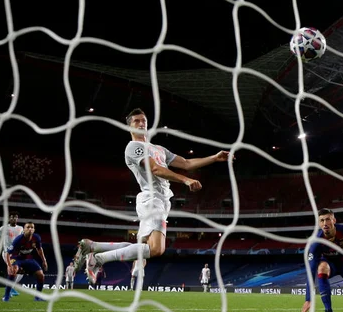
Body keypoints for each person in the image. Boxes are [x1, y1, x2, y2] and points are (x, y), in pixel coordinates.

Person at [72, 108, 232, 283]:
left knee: (144, 248)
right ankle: (99, 259)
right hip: (151, 199)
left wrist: (214, 158)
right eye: (136, 121)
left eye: (144, 121)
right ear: (129, 127)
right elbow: (154, 168)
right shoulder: (133, 147)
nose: (141, 123)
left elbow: (186, 163)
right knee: (156, 249)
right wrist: (185, 180)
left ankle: (93, 247)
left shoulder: (159, 149)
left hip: (162, 201)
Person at [3, 223, 47, 302]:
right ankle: (6, 296)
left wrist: (44, 261)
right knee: (13, 270)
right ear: (24, 229)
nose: (30, 229)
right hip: (16, 258)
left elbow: (39, 250)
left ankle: (37, 297)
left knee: (41, 275)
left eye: (32, 227)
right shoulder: (18, 239)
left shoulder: (36, 238)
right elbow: (8, 253)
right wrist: (9, 265)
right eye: (28, 227)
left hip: (28, 258)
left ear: (34, 230)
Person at [0, 211, 23, 297]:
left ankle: (11, 288)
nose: (13, 218)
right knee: (13, 269)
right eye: (12, 217)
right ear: (9, 218)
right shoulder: (3, 228)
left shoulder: (21, 228)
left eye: (15, 217)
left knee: (21, 272)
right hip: (7, 253)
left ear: (17, 219)